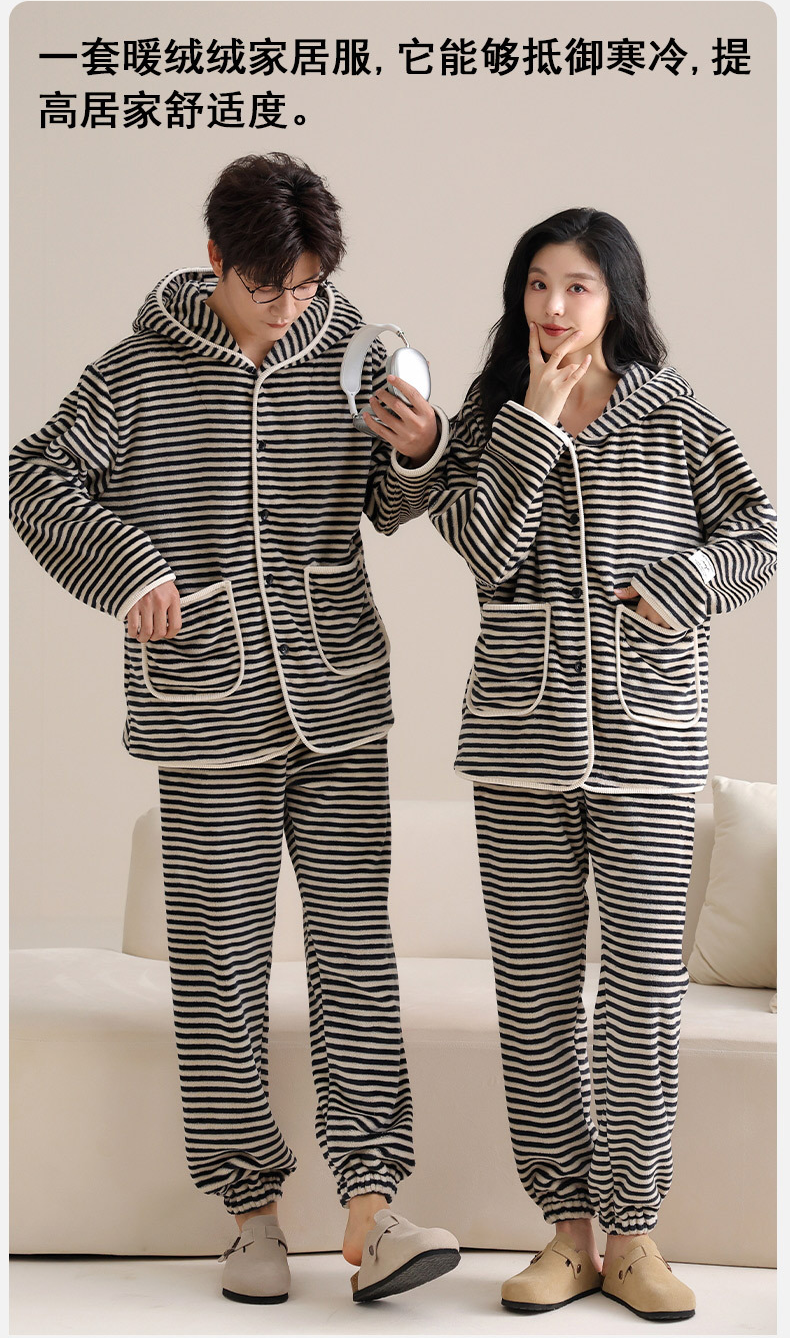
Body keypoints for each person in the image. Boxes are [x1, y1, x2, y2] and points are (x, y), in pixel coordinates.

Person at [9, 151, 461, 1306]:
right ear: (216, 258)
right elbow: (33, 477)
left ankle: (373, 1204)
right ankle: (250, 1210)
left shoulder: (350, 344)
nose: (291, 307)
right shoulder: (134, 371)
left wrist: (418, 447)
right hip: (205, 706)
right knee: (219, 963)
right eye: (269, 287)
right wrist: (129, 566)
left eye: (308, 286)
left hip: (338, 699)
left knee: (355, 950)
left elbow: (389, 503)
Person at [427, 207, 776, 1322]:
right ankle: (567, 1233)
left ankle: (633, 1235)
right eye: (537, 283)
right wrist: (531, 420)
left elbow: (760, 534)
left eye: (576, 285)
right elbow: (484, 553)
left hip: (648, 743)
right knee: (533, 998)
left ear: (615, 296)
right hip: (519, 745)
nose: (553, 305)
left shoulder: (675, 414)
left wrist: (684, 584)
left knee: (639, 1000)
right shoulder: (491, 414)